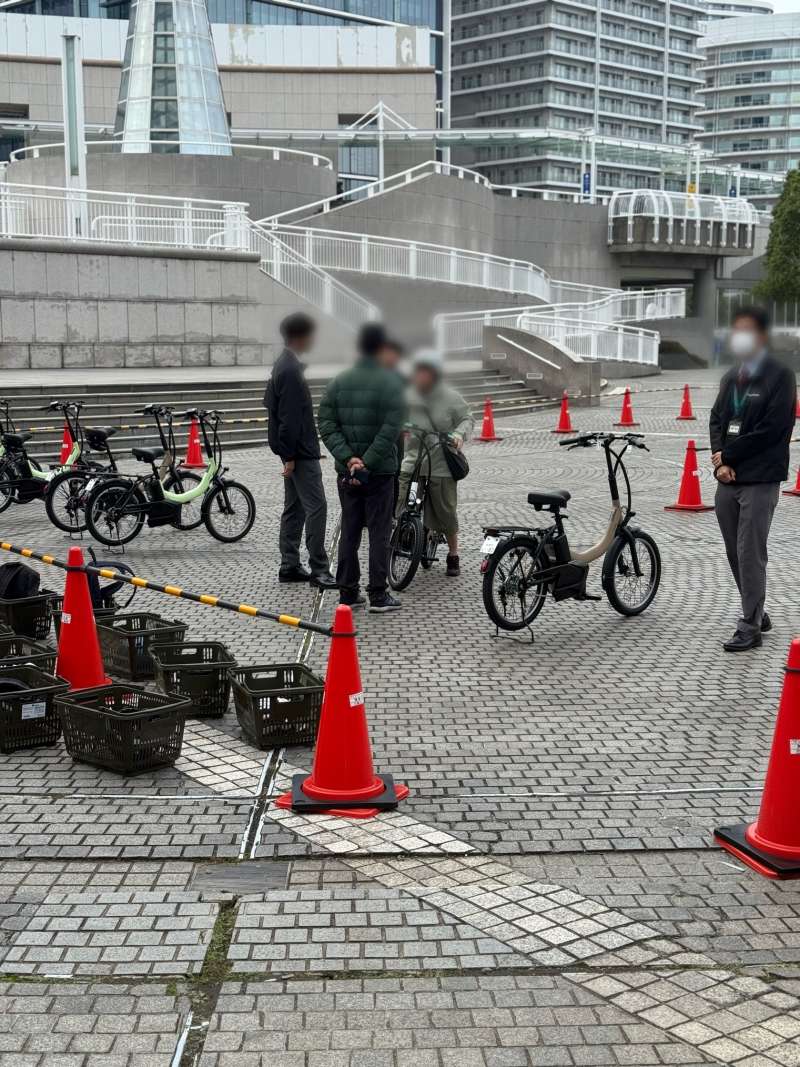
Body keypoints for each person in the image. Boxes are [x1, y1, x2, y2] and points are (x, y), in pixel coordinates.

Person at [709, 306, 796, 652]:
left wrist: (729, 455)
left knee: (750, 553)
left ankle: (750, 627)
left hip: (760, 478)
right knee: (735, 551)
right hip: (727, 478)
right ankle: (757, 610)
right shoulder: (733, 376)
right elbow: (717, 419)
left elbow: (773, 428)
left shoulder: (781, 376)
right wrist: (720, 460)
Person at [318, 322, 406, 612]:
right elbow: (391, 429)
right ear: (381, 348)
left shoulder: (338, 382)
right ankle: (378, 594)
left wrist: (349, 459)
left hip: (347, 473)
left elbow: (326, 425)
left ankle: (348, 591)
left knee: (350, 530)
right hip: (380, 473)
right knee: (379, 533)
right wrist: (367, 461)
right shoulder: (391, 383)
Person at [264, 312, 336, 589]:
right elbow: (289, 418)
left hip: (295, 451)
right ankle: (319, 569)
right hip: (300, 453)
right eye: (311, 335)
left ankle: (290, 564)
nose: (314, 340)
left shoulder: (283, 364)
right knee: (317, 507)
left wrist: (287, 454)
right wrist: (290, 456)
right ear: (301, 337)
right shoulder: (290, 370)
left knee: (294, 508)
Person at [397, 349, 473, 577]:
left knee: (445, 511)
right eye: (418, 371)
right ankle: (408, 534)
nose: (420, 376)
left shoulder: (450, 397)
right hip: (414, 460)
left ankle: (453, 553)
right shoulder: (408, 396)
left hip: (440, 462)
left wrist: (458, 435)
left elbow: (467, 418)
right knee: (403, 501)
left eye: (425, 371)